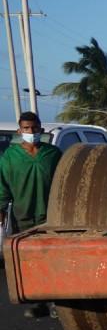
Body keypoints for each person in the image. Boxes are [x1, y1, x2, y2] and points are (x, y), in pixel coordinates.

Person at [0, 112, 62, 318]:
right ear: (20, 131)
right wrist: (1, 208)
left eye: (34, 128)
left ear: (41, 130)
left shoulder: (53, 154)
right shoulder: (10, 157)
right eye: (26, 128)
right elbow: (2, 185)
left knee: (52, 259)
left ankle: (57, 301)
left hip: (51, 215)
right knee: (29, 261)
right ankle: (39, 302)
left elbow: (64, 181)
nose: (31, 132)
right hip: (24, 216)